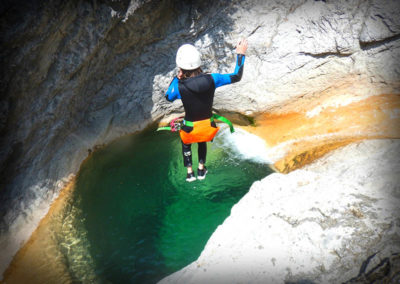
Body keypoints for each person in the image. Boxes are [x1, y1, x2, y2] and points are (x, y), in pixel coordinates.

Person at [165, 39, 248, 182]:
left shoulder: (179, 86)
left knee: (186, 142)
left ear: (181, 67)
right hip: (207, 126)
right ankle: (201, 169)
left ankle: (190, 173)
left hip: (190, 127)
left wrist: (176, 78)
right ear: (198, 63)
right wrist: (240, 54)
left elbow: (168, 97)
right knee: (202, 140)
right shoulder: (213, 78)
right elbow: (236, 76)